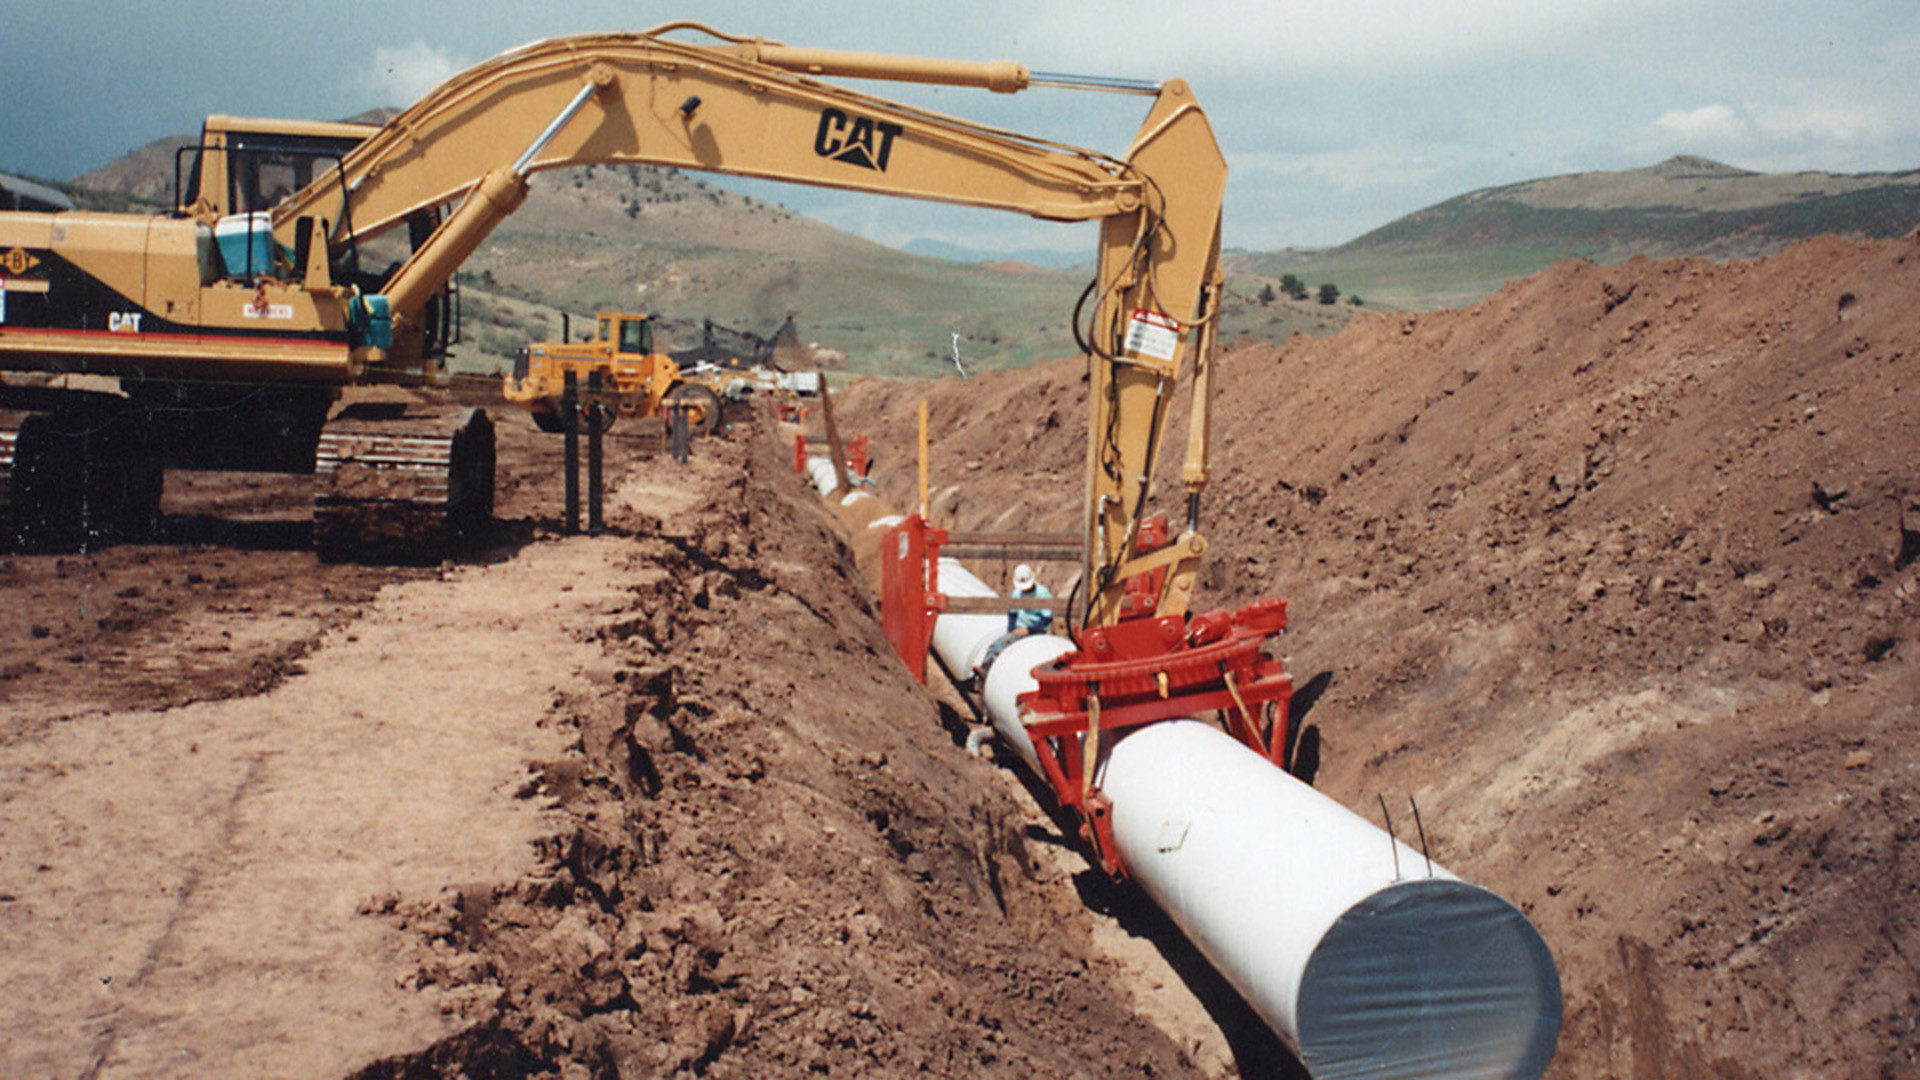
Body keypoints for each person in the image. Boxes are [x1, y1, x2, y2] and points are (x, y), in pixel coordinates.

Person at [1007, 563, 1051, 635]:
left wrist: (1029, 630)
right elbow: (1012, 614)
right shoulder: (1016, 593)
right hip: (1019, 629)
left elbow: (1046, 618)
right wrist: (1011, 631)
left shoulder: (1042, 593)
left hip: (1037, 631)